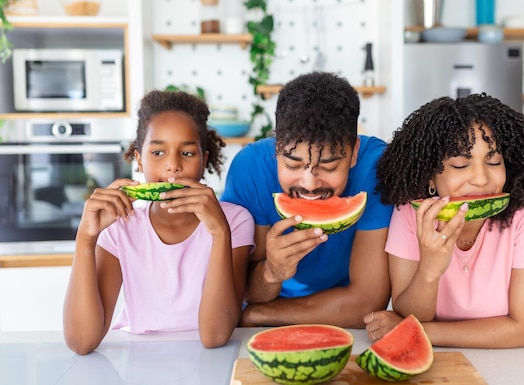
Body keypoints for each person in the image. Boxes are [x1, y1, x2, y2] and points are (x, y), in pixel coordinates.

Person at [367, 93, 524, 348]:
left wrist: (418, 332)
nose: (482, 179)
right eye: (461, 165)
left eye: (493, 161)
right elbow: (411, 315)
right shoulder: (411, 212)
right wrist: (429, 270)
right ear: (430, 176)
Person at [63, 90, 254, 354]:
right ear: (139, 160)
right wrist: (86, 237)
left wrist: (220, 233)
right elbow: (81, 342)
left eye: (187, 153)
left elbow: (215, 336)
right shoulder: (120, 227)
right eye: (157, 152)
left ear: (204, 160)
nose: (173, 165)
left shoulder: (233, 221)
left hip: (210, 362)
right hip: (136, 358)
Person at [221, 71, 394, 328]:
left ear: (354, 152)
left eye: (329, 166)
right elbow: (243, 292)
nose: (309, 185)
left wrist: (259, 315)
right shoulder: (250, 169)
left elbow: (366, 303)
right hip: (290, 313)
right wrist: (271, 272)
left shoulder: (376, 168)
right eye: (293, 164)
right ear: (276, 148)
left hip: (331, 316)